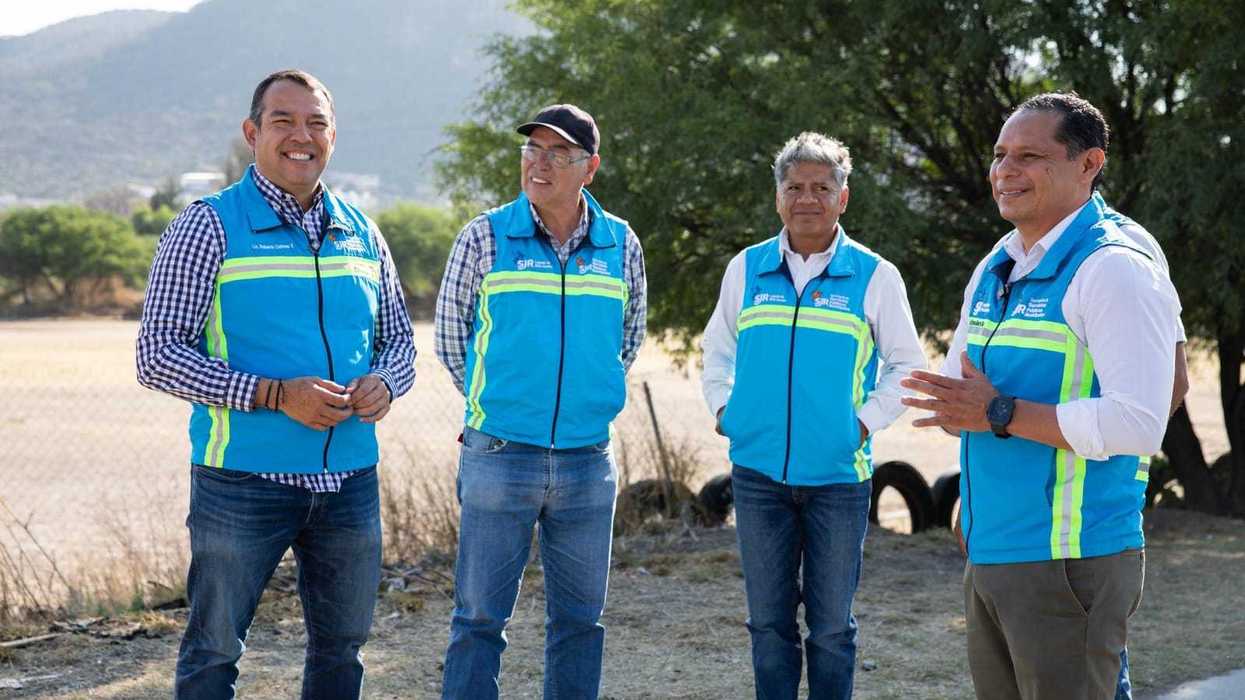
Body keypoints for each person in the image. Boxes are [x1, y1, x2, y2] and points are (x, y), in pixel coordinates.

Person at [136, 69, 415, 700]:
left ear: (333, 137)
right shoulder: (206, 225)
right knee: (213, 654)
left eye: (316, 123)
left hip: (349, 483)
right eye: (284, 120)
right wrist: (274, 393)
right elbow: (156, 355)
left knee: (342, 654)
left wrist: (385, 384)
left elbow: (398, 341)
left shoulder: (362, 231)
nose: (301, 135)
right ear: (252, 132)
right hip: (242, 483)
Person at [900, 93, 1181, 700]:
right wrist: (974, 484)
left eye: (1030, 155)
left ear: (1089, 164)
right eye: (1000, 154)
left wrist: (998, 413)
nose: (1005, 169)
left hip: (1068, 560)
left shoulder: (1114, 266)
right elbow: (963, 405)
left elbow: (1141, 421)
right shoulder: (998, 266)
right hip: (992, 548)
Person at [701, 132, 926, 699]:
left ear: (842, 198)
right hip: (757, 479)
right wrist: (727, 411)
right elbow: (717, 351)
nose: (807, 198)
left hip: (837, 482)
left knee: (830, 629)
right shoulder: (746, 269)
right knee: (769, 625)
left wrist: (860, 426)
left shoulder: (876, 276)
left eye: (821, 187)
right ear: (778, 197)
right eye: (795, 186)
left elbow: (906, 367)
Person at [433, 103, 647, 699]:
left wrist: (590, 397)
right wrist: (500, 403)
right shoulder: (484, 235)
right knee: (479, 620)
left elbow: (628, 338)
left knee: (581, 622)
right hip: (499, 453)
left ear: (591, 168)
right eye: (533, 150)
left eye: (559, 153)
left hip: (586, 459)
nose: (541, 163)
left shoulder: (621, 243)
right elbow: (452, 340)